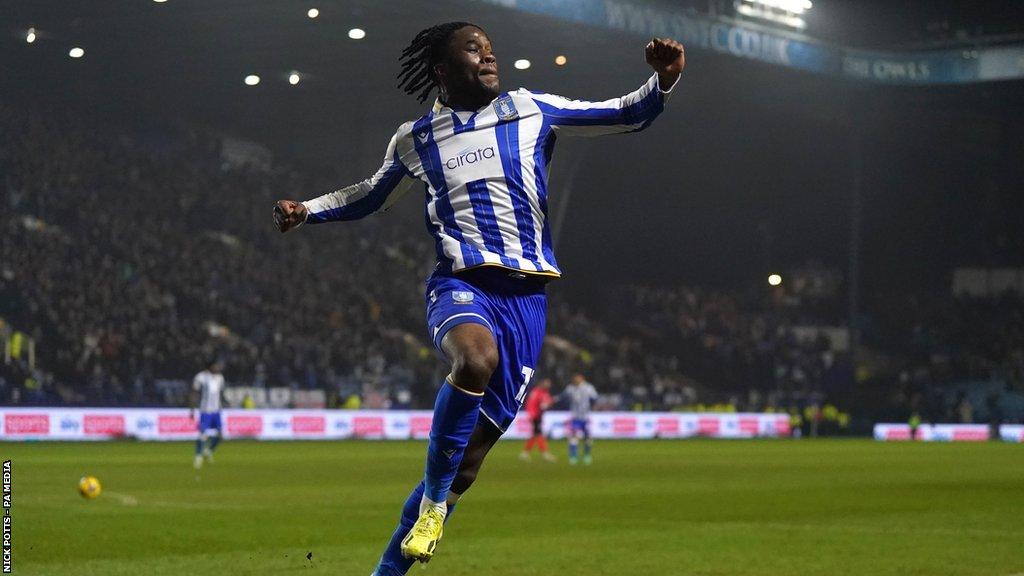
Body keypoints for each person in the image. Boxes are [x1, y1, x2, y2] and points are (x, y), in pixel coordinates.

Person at [273, 21, 684, 574]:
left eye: (491, 49)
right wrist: (309, 209)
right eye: (474, 50)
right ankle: (435, 504)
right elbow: (371, 195)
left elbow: (622, 114)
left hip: (526, 303)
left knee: (467, 464)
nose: (490, 57)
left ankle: (396, 557)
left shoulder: (532, 109)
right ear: (443, 71)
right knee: (475, 359)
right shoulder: (416, 139)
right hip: (460, 284)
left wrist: (661, 81)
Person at [191, 359, 225, 469]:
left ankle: (208, 451)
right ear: (210, 366)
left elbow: (221, 393)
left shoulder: (220, 378)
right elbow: (194, 393)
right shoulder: (201, 377)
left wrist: (225, 402)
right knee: (202, 434)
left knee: (220, 435)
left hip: (216, 411)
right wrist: (192, 409)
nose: (218, 368)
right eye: (216, 366)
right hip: (205, 411)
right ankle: (198, 457)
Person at [564, 373, 599, 465]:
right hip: (575, 417)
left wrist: (593, 406)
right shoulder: (570, 388)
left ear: (582, 379)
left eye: (578, 379)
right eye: (575, 379)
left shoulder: (588, 388)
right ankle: (573, 457)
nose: (576, 380)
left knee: (588, 438)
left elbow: (594, 398)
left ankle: (587, 455)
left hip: (586, 417)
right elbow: (563, 398)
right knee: (574, 437)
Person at [520, 377, 555, 462]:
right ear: (542, 383)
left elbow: (547, 402)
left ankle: (525, 453)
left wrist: (549, 403)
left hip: (539, 416)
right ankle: (544, 453)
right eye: (547, 383)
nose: (549, 385)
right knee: (538, 434)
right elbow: (531, 403)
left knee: (535, 434)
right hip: (535, 416)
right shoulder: (536, 392)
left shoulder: (545, 393)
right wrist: (531, 414)